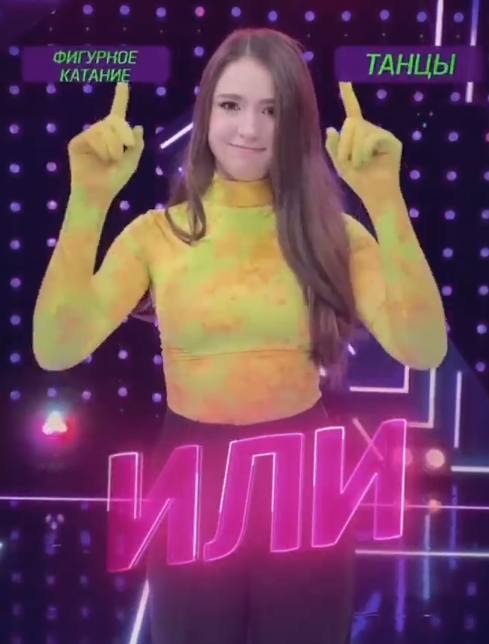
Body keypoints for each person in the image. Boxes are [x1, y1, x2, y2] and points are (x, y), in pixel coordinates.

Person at [33, 27, 447, 644]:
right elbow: (56, 346)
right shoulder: (156, 235)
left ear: (297, 124)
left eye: (271, 110)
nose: (249, 129)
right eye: (231, 105)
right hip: (192, 483)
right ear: (207, 114)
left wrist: (385, 197)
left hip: (305, 487)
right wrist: (89, 199)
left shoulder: (334, 233)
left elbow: (423, 346)